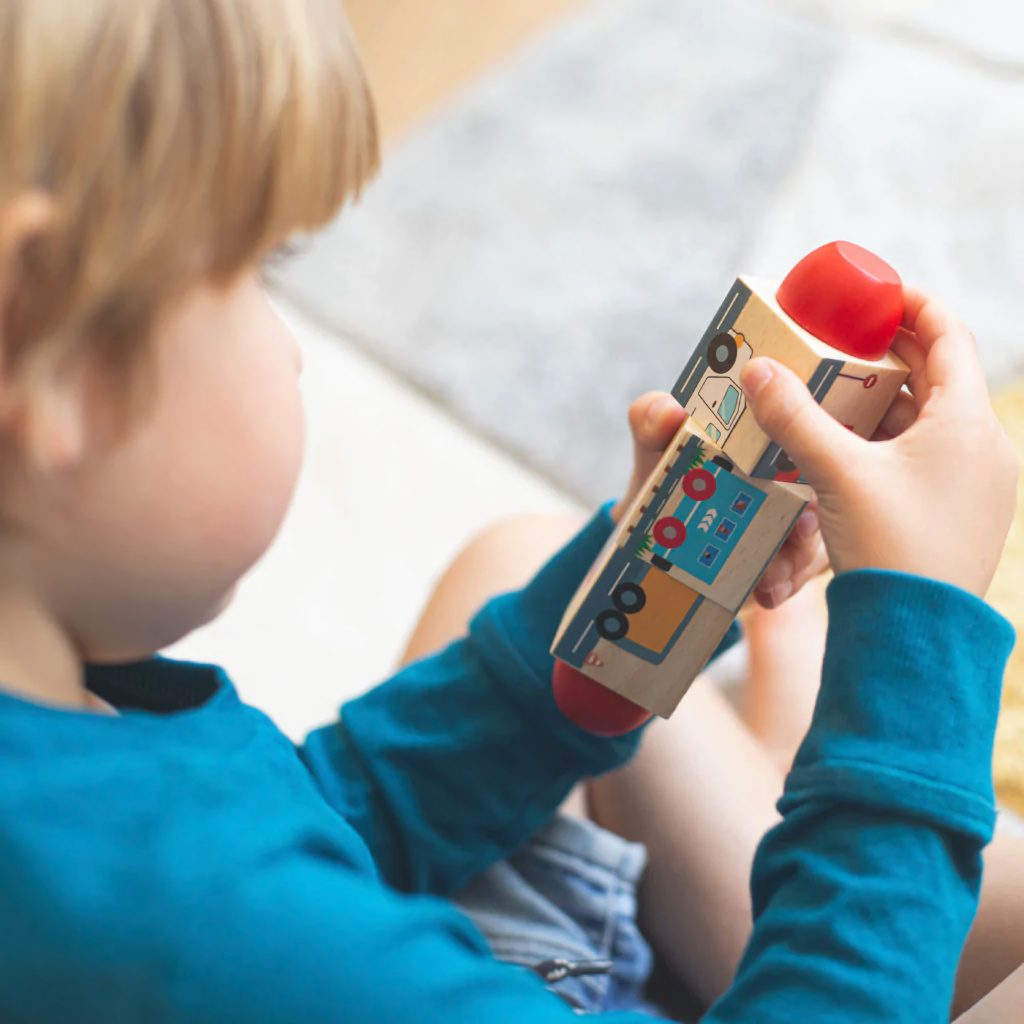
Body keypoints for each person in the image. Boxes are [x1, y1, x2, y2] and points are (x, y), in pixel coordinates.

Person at [0, 2, 1018, 1021]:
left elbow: (326, 821)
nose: (292, 347)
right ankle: (802, 785)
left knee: (524, 567)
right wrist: (913, 653)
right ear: (59, 370)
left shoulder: (81, 773)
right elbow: (268, 915)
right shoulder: (203, 925)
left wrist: (633, 597)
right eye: (259, 271)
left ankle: (790, 782)